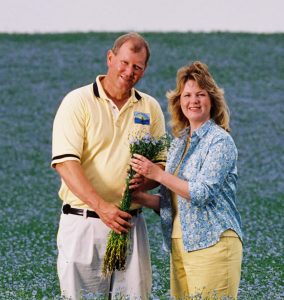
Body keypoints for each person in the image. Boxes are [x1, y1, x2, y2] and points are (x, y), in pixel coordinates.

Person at [51, 32, 166, 299]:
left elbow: (159, 166)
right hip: (84, 223)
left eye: (137, 66)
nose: (129, 71)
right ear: (110, 58)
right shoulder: (77, 101)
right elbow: (66, 163)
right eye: (124, 62)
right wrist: (103, 208)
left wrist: (145, 181)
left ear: (144, 70)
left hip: (130, 224)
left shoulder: (150, 107)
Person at [131, 61, 243, 299]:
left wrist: (157, 174)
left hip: (213, 243)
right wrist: (140, 197)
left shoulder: (219, 141)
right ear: (179, 102)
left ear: (211, 100)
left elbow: (201, 194)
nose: (193, 100)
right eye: (187, 95)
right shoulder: (180, 142)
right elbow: (172, 200)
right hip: (181, 244)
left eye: (200, 94)